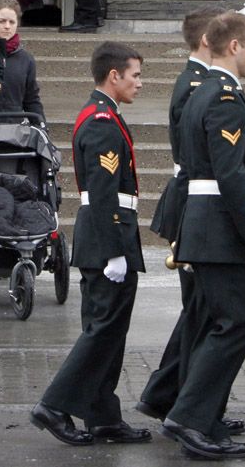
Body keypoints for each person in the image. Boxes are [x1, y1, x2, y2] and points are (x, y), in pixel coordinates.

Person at [162, 11, 245, 459]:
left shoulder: (208, 90)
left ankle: (199, 417)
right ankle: (188, 417)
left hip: (207, 226)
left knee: (217, 323)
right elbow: (229, 175)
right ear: (233, 47)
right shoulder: (223, 98)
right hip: (219, 230)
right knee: (236, 323)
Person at [31, 41, 148, 446]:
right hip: (107, 237)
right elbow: (102, 191)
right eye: (135, 75)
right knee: (102, 331)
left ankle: (102, 416)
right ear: (113, 76)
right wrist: (116, 248)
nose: (139, 83)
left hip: (108, 235)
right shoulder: (101, 121)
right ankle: (54, 405)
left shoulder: (106, 114)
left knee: (109, 332)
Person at [137, 7, 231, 425]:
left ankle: (168, 395)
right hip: (195, 201)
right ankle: (190, 405)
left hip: (193, 199)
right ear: (209, 40)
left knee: (198, 309)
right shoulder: (197, 84)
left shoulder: (199, 81)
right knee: (201, 310)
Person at [0, 0, 43, 119]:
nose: (7, 26)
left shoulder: (26, 60)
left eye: (12, 22)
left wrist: (41, 126)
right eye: (2, 21)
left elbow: (31, 99)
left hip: (14, 128)